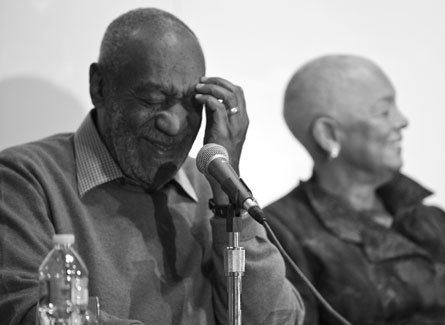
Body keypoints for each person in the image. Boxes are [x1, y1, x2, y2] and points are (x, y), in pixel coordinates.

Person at [0, 8, 303, 325]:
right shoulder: (25, 179)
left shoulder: (206, 187)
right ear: (99, 87)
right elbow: (24, 313)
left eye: (191, 103)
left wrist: (228, 199)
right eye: (152, 99)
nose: (173, 124)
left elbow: (277, 319)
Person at [265, 55, 445, 324]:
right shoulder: (281, 230)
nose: (402, 121)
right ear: (328, 134)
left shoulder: (431, 221)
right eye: (383, 112)